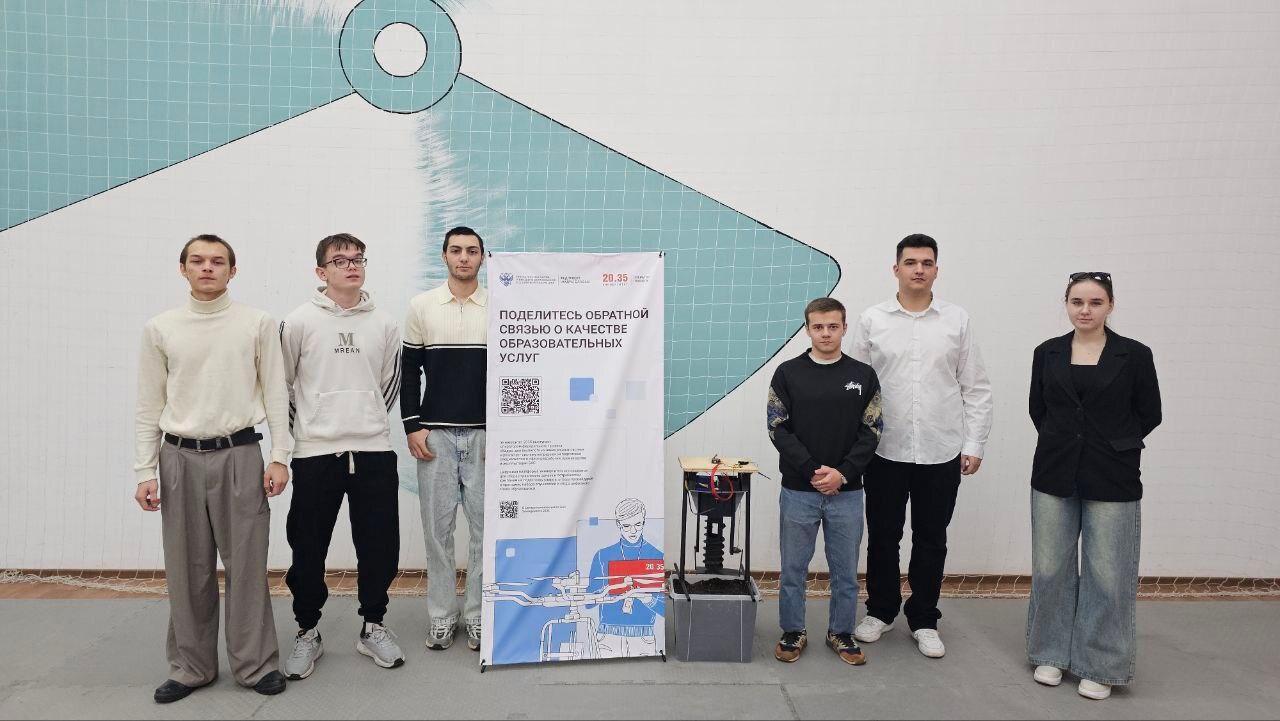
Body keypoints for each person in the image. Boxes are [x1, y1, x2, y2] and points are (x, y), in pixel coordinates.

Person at [133, 234, 290, 703]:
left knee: (247, 565)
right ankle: (191, 667)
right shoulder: (161, 328)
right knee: (187, 567)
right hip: (177, 457)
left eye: (217, 261)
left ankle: (256, 664)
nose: (207, 268)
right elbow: (149, 404)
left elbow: (276, 392)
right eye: (197, 261)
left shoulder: (257, 323)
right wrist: (145, 470)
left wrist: (279, 456)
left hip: (239, 454)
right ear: (182, 268)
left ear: (232, 271)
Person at [848, 233, 993, 659]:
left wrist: (974, 443)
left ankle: (925, 618)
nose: (918, 269)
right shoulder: (873, 320)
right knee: (883, 536)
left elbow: (976, 387)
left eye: (926, 263)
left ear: (936, 270)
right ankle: (880, 611)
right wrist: (854, 449)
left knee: (931, 537)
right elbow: (854, 388)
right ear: (896, 269)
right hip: (884, 450)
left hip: (940, 449)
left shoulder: (957, 320)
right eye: (910, 262)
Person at [1026, 272, 1161, 700]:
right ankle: (1050, 652)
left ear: (1110, 306)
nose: (1085, 310)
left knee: (1108, 574)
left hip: (1112, 475)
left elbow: (1150, 412)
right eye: (1077, 302)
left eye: (1095, 302)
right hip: (1054, 472)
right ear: (1067, 305)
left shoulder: (1134, 355)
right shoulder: (1047, 352)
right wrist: (1064, 442)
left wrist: (1113, 444)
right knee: (1051, 569)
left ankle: (1100, 664)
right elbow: (1039, 409)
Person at [279, 233, 406, 679]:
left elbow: (388, 386)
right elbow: (282, 385)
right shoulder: (298, 321)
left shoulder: (385, 324)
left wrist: (365, 420)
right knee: (307, 546)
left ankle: (373, 625)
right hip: (316, 453)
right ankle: (307, 631)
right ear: (321, 271)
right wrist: (310, 429)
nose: (351, 266)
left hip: (373, 451)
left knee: (380, 546)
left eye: (358, 259)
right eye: (340, 260)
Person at [768, 297, 883, 666]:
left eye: (833, 326)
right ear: (807, 329)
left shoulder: (863, 376)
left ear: (845, 328)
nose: (826, 333)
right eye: (818, 326)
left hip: (847, 492)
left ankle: (841, 633)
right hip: (798, 491)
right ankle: (793, 631)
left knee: (845, 571)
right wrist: (812, 470)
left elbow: (872, 430)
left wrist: (842, 473)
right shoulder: (787, 373)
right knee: (793, 569)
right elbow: (777, 427)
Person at [401, 226, 488, 652]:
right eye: (456, 250)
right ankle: (441, 616)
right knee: (438, 532)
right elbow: (408, 370)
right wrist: (412, 425)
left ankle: (478, 616)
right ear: (445, 256)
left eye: (471, 251)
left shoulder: (501, 306)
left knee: (485, 531)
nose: (464, 257)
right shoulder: (421, 306)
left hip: (486, 436)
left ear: (482, 258)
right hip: (435, 437)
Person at [586, 498, 665, 658]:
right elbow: (588, 602)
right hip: (608, 634)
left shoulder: (657, 556)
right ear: (618, 524)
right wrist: (611, 587)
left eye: (638, 524)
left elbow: (664, 608)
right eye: (626, 526)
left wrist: (648, 599)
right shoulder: (602, 555)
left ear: (644, 521)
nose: (633, 531)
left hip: (643, 634)